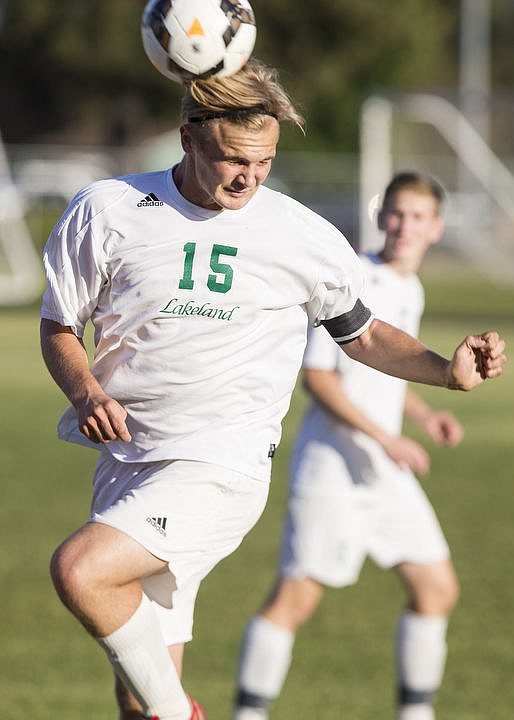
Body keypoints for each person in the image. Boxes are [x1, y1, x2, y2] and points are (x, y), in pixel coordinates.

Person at [39, 57, 506, 720]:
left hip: (221, 468)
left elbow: (363, 334)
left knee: (80, 572)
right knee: (137, 701)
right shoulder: (108, 211)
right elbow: (59, 325)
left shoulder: (301, 235)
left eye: (264, 161)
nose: (249, 177)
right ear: (188, 139)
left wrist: (445, 371)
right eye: (233, 158)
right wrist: (86, 391)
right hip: (128, 464)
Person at [232, 172, 478, 720]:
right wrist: (388, 438)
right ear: (379, 216)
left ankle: (416, 713)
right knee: (296, 600)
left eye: (416, 217)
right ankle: (247, 714)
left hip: (381, 468)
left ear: (435, 228)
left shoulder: (409, 287)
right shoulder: (352, 279)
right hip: (333, 469)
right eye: (395, 213)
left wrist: (422, 413)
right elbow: (320, 380)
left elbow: (381, 375)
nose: (403, 226)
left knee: (436, 586)